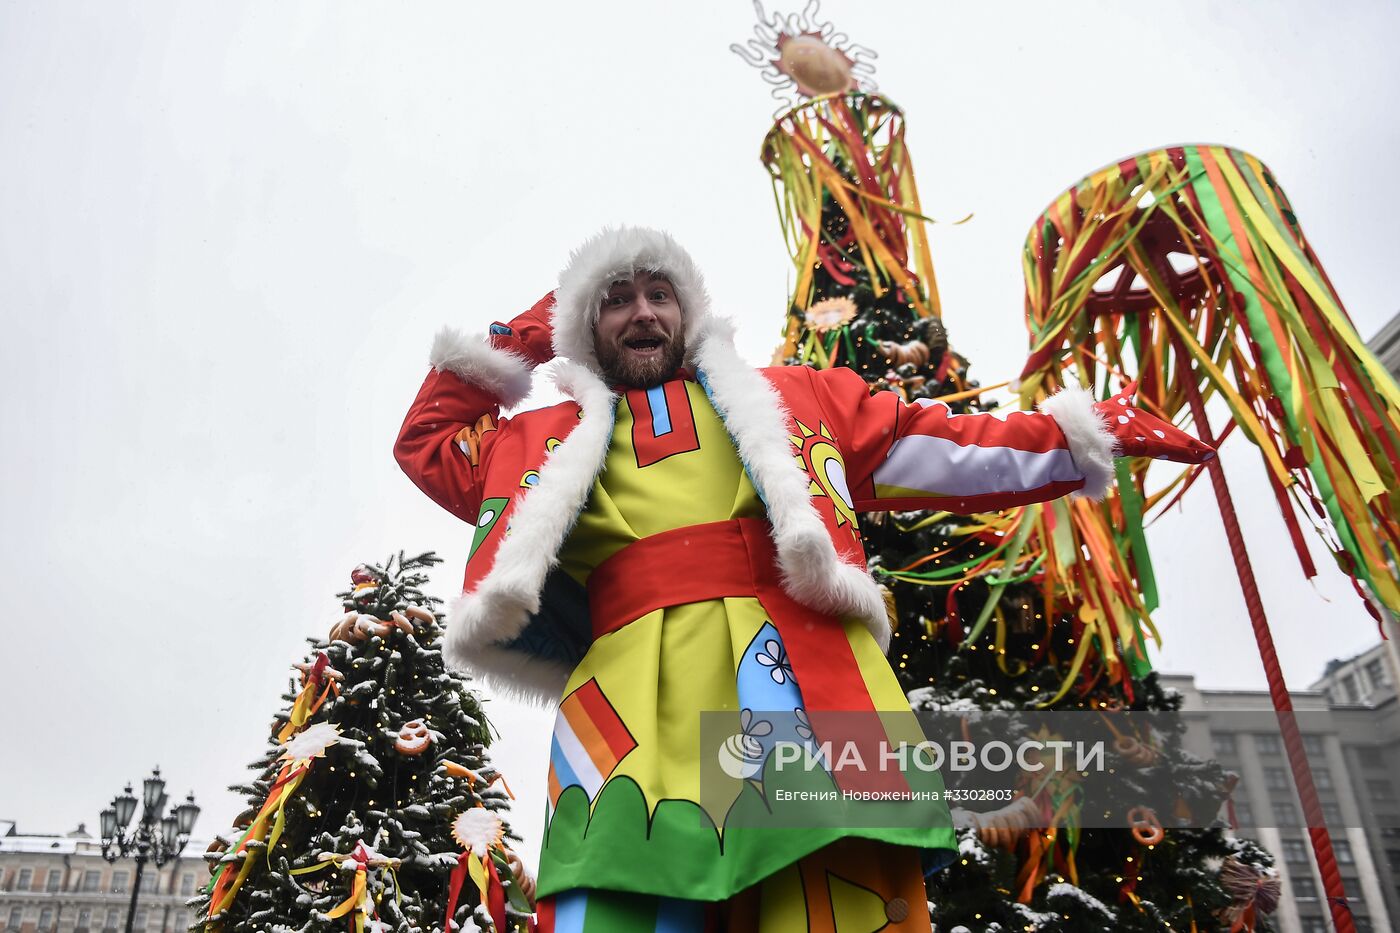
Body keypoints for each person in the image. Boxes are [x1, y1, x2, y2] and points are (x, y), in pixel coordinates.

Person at [394, 226, 1213, 932]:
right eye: (614, 298)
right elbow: (428, 442)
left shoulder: (793, 397)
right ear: (587, 323)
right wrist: (534, 329)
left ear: (690, 310)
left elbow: (944, 444)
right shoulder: (540, 435)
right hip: (627, 716)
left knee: (829, 903)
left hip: (794, 689)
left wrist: (1081, 437)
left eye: (659, 293)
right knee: (614, 897)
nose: (643, 311)